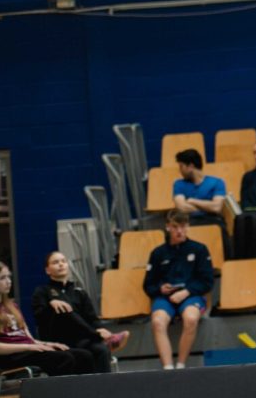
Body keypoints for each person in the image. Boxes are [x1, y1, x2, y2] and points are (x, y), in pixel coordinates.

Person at [31, 251, 129, 373]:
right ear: (47, 270)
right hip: (57, 337)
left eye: (63, 261)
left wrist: (100, 329)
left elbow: (92, 318)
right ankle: (101, 338)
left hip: (82, 339)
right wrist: (51, 304)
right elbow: (39, 317)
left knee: (101, 350)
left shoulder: (79, 292)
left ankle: (104, 384)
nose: (61, 264)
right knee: (63, 310)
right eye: (55, 262)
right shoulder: (42, 291)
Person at [144, 210, 214, 370]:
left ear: (188, 226)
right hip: (165, 298)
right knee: (157, 321)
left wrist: (186, 291)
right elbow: (148, 285)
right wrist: (160, 289)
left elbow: (207, 281)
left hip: (191, 295)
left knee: (191, 318)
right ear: (168, 227)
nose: (179, 231)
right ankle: (168, 368)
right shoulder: (158, 253)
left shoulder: (199, 249)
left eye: (183, 226)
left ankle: (181, 365)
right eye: (175, 227)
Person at [0, 262, 94, 376]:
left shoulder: (12, 306)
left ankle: (85, 388)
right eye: (2, 278)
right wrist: (28, 347)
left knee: (84, 356)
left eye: (9, 276)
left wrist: (47, 344)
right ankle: (61, 388)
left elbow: (29, 339)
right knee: (63, 358)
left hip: (28, 349)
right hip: (10, 355)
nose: (8, 281)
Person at [172, 149, 227, 229]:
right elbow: (182, 207)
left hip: (213, 222)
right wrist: (208, 207)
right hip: (189, 222)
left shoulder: (217, 182)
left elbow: (216, 207)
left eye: (181, 166)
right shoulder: (179, 184)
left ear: (190, 166)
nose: (179, 170)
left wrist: (192, 201)